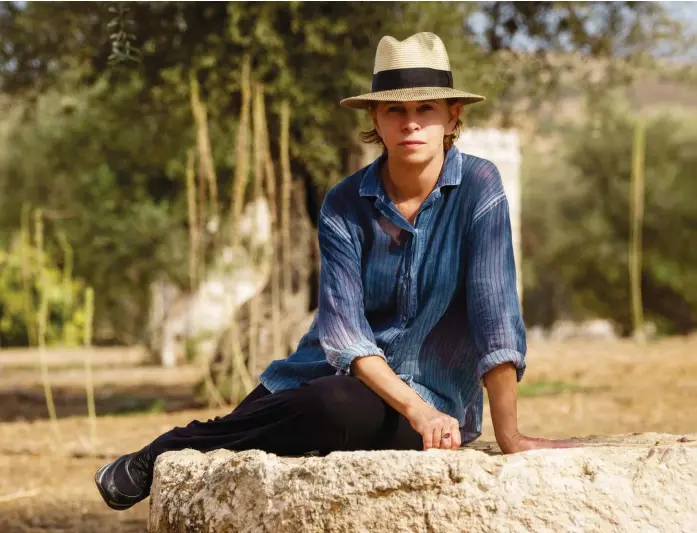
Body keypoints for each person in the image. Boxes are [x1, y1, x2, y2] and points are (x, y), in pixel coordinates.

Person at [95, 32, 579, 511]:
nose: (411, 124)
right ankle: (169, 453)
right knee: (269, 413)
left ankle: (158, 453)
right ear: (375, 118)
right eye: (396, 111)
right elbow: (344, 334)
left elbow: (495, 313)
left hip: (425, 397)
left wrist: (506, 433)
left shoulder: (480, 186)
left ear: (452, 116)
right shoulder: (344, 204)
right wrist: (417, 411)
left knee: (327, 409)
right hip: (320, 374)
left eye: (425, 109)